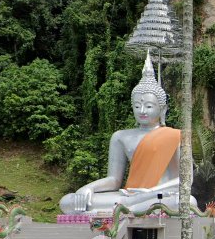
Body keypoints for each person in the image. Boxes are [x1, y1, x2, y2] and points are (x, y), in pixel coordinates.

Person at [59, 51, 195, 215]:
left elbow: (186, 180)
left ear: (162, 109)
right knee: (68, 201)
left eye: (149, 106)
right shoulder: (120, 136)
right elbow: (114, 180)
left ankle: (120, 211)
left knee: (185, 201)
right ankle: (128, 209)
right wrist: (88, 188)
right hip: (127, 196)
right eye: (137, 106)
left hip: (159, 194)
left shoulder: (175, 136)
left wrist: (149, 192)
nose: (142, 111)